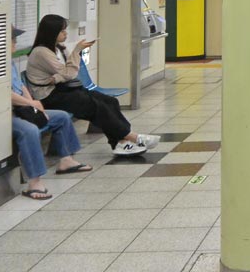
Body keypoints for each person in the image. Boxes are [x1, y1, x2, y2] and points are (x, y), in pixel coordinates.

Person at [26, 15, 159, 156]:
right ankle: (133, 138)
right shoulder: (41, 52)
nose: (65, 33)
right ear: (51, 33)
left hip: (61, 90)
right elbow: (69, 73)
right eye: (62, 31)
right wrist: (76, 51)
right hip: (48, 97)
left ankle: (120, 142)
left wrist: (57, 77)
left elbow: (65, 73)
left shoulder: (58, 48)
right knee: (97, 106)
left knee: (110, 101)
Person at [11, 27, 92, 200]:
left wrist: (34, 106)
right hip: (7, 115)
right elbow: (3, 94)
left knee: (61, 117)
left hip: (23, 108)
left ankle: (66, 160)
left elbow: (20, 86)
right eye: (12, 40)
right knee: (29, 131)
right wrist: (31, 103)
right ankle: (34, 182)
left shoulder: (7, 62)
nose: (15, 43)